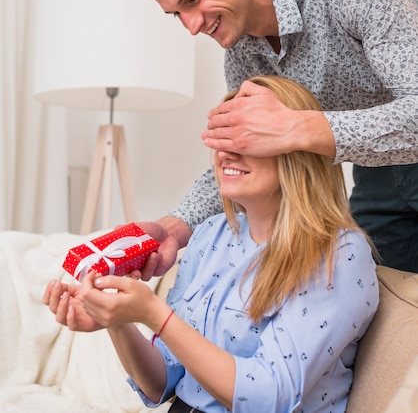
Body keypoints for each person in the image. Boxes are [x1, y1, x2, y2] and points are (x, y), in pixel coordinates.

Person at [44, 75, 379, 413]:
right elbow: (163, 381)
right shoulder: (211, 235)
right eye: (223, 138)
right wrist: (117, 320)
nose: (225, 154)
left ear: (296, 148)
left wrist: (155, 314)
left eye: (245, 138)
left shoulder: (340, 254)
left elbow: (271, 397)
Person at [133, 0, 418, 275]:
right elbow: (242, 155)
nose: (191, 26)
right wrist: (176, 225)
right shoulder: (241, 54)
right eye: (177, 13)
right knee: (385, 305)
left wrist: (296, 128)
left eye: (192, 0)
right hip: (375, 166)